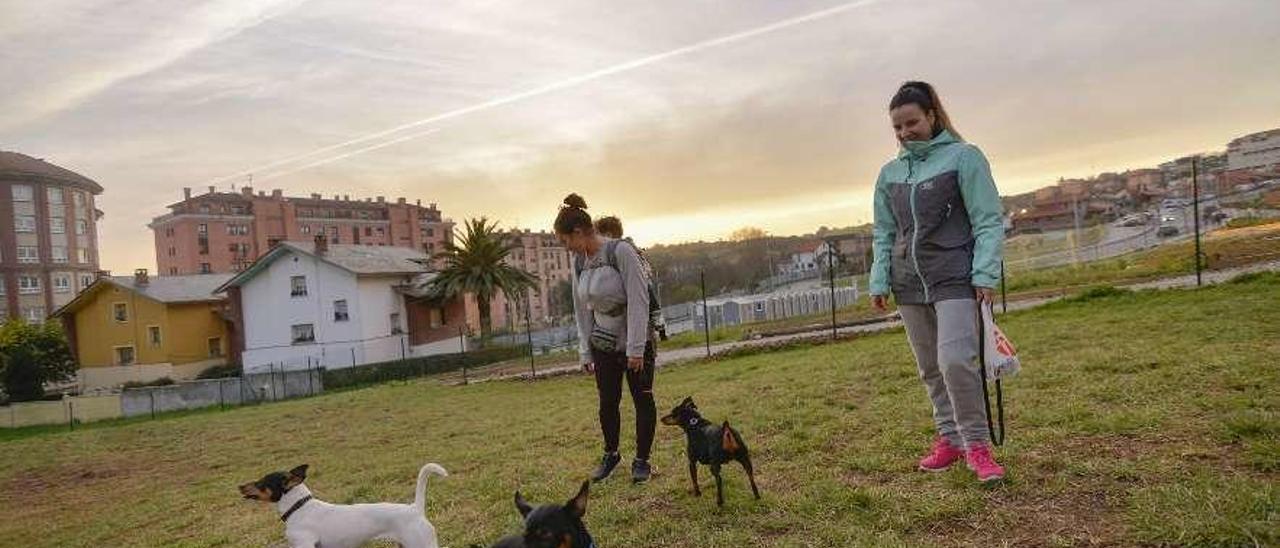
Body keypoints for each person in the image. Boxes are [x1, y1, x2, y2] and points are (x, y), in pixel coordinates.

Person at [868, 81, 1007, 483]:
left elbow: (987, 219)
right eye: (897, 128)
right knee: (930, 368)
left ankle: (977, 446)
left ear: (932, 116)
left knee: (955, 363)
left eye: (911, 122)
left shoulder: (965, 158)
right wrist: (880, 280)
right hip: (907, 283)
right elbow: (884, 231)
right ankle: (950, 439)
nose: (904, 133)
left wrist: (984, 273)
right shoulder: (889, 173)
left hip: (954, 278)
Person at [555, 194, 658, 484]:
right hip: (603, 341)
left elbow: (639, 301)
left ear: (578, 232)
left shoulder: (620, 252)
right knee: (607, 402)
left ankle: (642, 460)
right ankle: (611, 454)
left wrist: (637, 348)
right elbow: (581, 310)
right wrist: (585, 352)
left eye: (565, 241)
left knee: (642, 399)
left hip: (635, 339)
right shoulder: (579, 263)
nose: (566, 248)